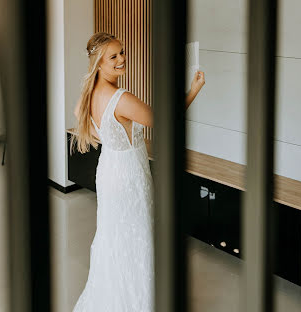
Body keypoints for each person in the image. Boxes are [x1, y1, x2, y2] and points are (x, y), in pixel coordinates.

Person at [72, 32, 205, 311]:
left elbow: (80, 116)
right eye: (114, 56)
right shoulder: (121, 98)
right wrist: (193, 90)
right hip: (129, 176)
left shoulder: (90, 94)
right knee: (136, 238)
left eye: (122, 52)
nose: (122, 59)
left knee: (114, 238)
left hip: (109, 168)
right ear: (99, 63)